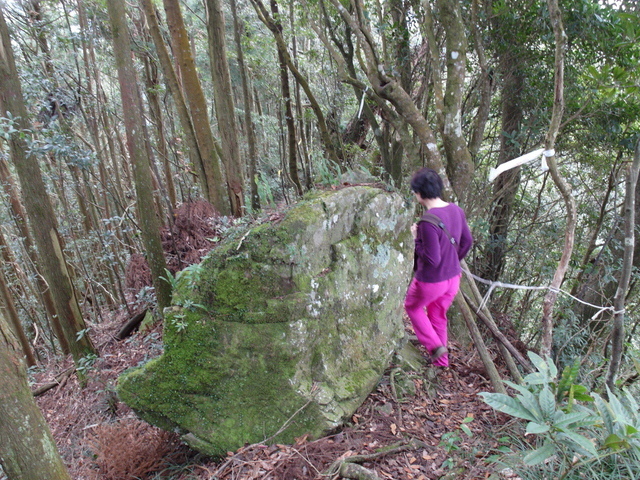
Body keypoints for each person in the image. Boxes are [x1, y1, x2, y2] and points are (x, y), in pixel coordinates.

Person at [404, 168, 473, 367]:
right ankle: (441, 362)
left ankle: (436, 347)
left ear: (419, 193)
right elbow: (467, 241)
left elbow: (432, 259)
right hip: (453, 279)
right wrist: (452, 262)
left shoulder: (427, 222)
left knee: (412, 307)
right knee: (437, 315)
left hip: (431, 281)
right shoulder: (456, 210)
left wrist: (416, 239)